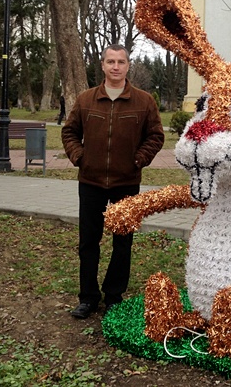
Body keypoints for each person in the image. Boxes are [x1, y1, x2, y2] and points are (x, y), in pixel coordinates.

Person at [61, 44, 164, 319]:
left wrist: (139, 159)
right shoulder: (86, 100)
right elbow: (69, 132)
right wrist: (79, 157)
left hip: (126, 183)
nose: (115, 66)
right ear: (103, 65)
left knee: (122, 242)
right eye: (110, 61)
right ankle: (88, 297)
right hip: (91, 182)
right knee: (88, 243)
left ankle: (114, 296)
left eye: (121, 61)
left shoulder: (144, 102)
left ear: (128, 66)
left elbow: (155, 136)